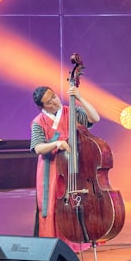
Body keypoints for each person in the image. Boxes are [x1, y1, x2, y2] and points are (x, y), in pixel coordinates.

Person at [30, 84, 100, 238]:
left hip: (73, 165)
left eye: (54, 97)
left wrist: (79, 97)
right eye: (49, 102)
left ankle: (77, 236)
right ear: (41, 107)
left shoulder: (70, 111)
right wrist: (56, 144)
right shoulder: (39, 121)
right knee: (54, 204)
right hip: (52, 167)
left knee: (77, 198)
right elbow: (37, 148)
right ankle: (55, 239)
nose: (55, 102)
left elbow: (94, 118)